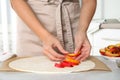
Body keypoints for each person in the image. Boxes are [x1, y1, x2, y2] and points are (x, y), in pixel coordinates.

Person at [10, 0, 96, 61]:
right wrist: (45, 36)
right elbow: (16, 1)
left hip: (73, 33)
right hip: (34, 32)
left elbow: (89, 1)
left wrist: (82, 31)